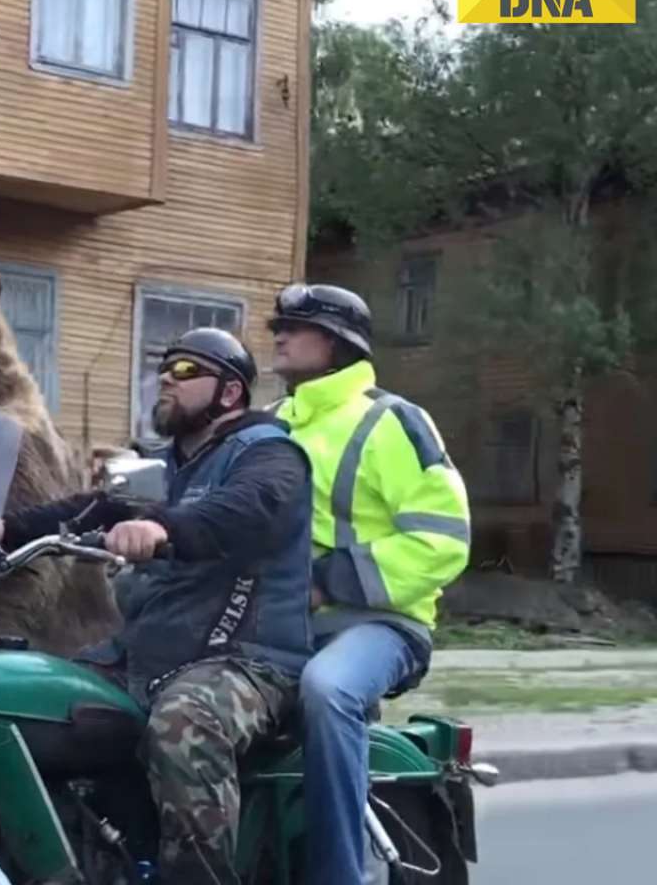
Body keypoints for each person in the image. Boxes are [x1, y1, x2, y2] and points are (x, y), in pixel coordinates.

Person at [0, 327, 314, 885]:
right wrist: (4, 529)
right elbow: (96, 508)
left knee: (185, 724)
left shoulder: (270, 454)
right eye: (164, 367)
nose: (166, 377)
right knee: (21, 694)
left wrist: (160, 526)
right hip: (151, 651)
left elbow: (242, 511)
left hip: (246, 658)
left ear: (229, 393)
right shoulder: (166, 467)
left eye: (186, 371)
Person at [267, 284, 470, 885]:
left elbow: (443, 539)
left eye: (292, 326)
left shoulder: (392, 421)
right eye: (278, 324)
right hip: (278, 620)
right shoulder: (273, 424)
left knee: (327, 690)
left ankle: (338, 876)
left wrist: (326, 584)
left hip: (382, 624)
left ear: (332, 343)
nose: (276, 333)